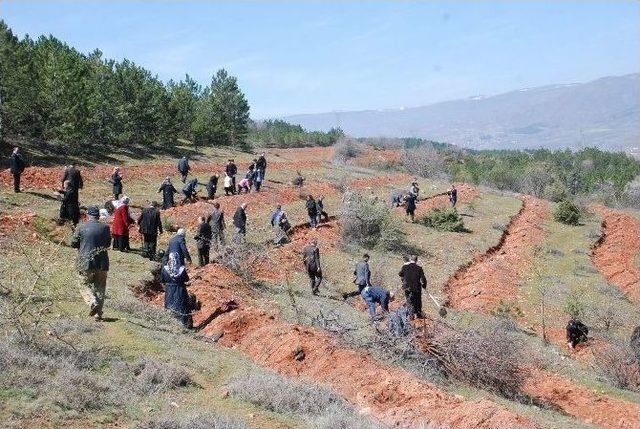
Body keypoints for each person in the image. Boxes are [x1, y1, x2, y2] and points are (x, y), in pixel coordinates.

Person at [70, 205, 111, 321]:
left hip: (85, 261)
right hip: (102, 262)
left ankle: (92, 301)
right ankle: (98, 314)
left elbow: (73, 243)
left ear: (88, 215)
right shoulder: (105, 228)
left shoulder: (81, 227)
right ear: (98, 216)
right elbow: (108, 244)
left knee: (83, 283)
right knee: (100, 287)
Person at [161, 252, 191, 328]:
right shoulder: (181, 269)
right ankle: (184, 325)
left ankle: (170, 324)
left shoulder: (165, 269)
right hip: (180, 290)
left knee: (170, 306)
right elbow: (186, 279)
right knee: (182, 307)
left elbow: (162, 280)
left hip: (169, 291)